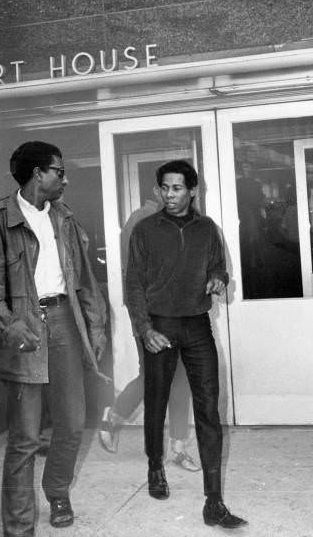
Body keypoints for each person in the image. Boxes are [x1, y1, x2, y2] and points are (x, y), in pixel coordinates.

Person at [0, 141, 107, 536]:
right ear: (37, 173)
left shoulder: (65, 217)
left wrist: (95, 328)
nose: (64, 178)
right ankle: (19, 527)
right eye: (58, 171)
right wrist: (13, 329)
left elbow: (85, 282)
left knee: (73, 422)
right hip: (22, 327)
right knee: (25, 436)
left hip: (65, 321)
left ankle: (58, 490)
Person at [125, 159, 247, 528]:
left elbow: (219, 267)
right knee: (157, 401)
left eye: (177, 188)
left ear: (192, 191)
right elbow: (133, 284)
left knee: (208, 409)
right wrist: (145, 329)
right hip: (158, 327)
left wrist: (216, 279)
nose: (169, 195)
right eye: (164, 188)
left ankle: (214, 502)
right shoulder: (145, 230)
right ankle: (154, 466)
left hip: (197, 327)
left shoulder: (207, 228)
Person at [98, 194, 200, 472]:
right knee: (157, 377)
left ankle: (177, 447)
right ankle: (115, 416)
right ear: (158, 189)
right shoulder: (142, 221)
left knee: (179, 378)